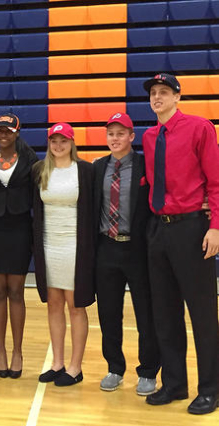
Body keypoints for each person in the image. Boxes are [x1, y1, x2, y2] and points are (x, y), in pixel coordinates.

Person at [141, 73, 219, 415]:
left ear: (177, 96)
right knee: (165, 313)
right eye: (153, 93)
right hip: (159, 229)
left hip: (192, 228)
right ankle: (174, 383)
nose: (157, 98)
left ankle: (211, 389)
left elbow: (216, 182)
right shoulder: (148, 136)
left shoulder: (200, 128)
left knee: (202, 314)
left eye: (164, 92)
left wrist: (215, 227)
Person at [93, 113, 160, 395]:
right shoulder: (97, 168)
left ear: (132, 137)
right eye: (111, 134)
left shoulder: (146, 165)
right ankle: (114, 367)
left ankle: (148, 371)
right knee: (109, 312)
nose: (115, 139)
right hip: (107, 247)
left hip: (137, 249)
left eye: (121, 134)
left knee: (146, 312)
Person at [32, 123, 95, 386]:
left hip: (75, 247)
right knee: (54, 304)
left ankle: (75, 367)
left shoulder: (85, 170)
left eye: (63, 141)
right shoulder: (39, 171)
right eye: (54, 141)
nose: (58, 146)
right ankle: (57, 363)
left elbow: (93, 209)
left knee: (75, 306)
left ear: (72, 142)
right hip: (48, 245)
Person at [0, 113, 38, 378]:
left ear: (17, 132)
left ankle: (17, 351)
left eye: (8, 131)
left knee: (16, 290)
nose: (3, 135)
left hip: (19, 229)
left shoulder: (30, 160)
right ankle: (1, 350)